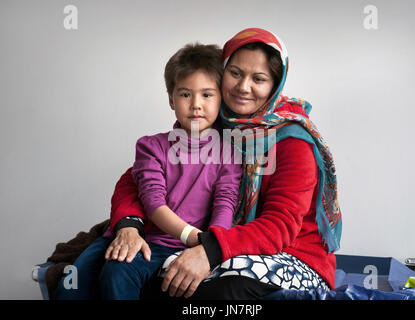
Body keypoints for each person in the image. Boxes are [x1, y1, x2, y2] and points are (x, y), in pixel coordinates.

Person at [109, 27, 343, 300]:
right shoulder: (212, 121)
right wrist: (128, 224)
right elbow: (137, 177)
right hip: (217, 241)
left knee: (217, 293)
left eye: (259, 78)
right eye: (235, 73)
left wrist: (209, 250)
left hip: (294, 256)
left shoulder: (293, 141)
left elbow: (279, 227)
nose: (244, 87)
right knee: (142, 277)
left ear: (274, 85)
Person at [52, 43, 242, 300]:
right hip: (150, 240)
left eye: (207, 95)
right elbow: (153, 202)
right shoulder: (151, 147)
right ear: (171, 99)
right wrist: (193, 237)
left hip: (194, 246)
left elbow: (225, 201)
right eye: (185, 94)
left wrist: (211, 245)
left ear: (222, 98)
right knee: (94, 280)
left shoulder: (229, 153)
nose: (196, 104)